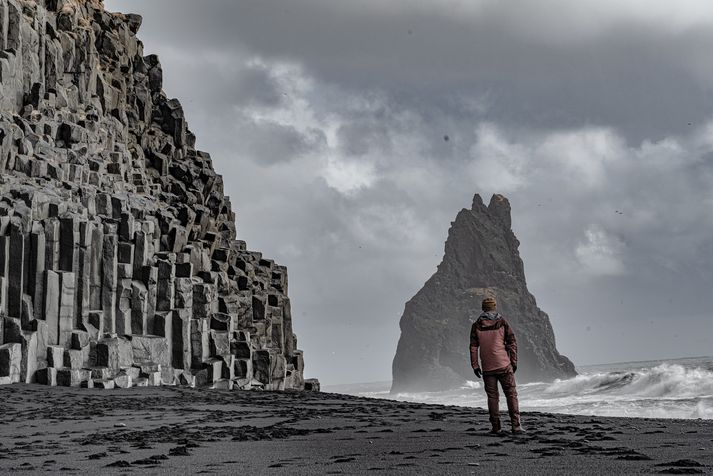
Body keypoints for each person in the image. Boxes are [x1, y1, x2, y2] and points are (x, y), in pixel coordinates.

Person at [469, 297, 524, 434]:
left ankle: (496, 427)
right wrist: (514, 362)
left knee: (493, 397)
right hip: (504, 365)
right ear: (494, 307)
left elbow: (473, 347)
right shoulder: (502, 322)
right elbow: (512, 342)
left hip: (487, 367)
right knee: (511, 395)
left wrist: (475, 366)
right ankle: (516, 426)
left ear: (483, 308)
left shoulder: (476, 325)